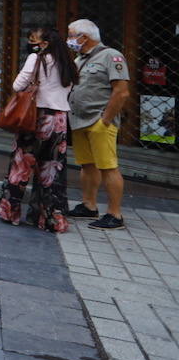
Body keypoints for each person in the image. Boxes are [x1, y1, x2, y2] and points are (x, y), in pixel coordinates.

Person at [0, 26, 77, 232]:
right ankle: (49, 219)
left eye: (34, 40)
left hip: (36, 118)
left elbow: (17, 85)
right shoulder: (68, 61)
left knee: (21, 166)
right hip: (59, 120)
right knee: (50, 171)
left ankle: (10, 211)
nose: (31, 43)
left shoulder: (37, 59)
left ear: (45, 43)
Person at [66, 19, 131, 230]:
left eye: (71, 35)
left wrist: (105, 120)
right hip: (79, 121)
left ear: (84, 37)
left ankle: (115, 214)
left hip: (99, 121)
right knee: (87, 164)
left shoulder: (111, 56)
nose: (69, 39)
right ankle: (89, 205)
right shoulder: (79, 59)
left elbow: (121, 92)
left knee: (108, 167)